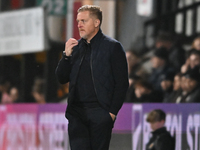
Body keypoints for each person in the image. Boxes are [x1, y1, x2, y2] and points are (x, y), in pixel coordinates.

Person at [55, 5, 129, 150]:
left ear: (96, 23)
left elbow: (122, 83)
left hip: (100, 113)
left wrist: (111, 113)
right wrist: (66, 56)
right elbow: (61, 78)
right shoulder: (75, 49)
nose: (79, 25)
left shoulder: (113, 47)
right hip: (77, 114)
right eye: (78, 21)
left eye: (84, 21)